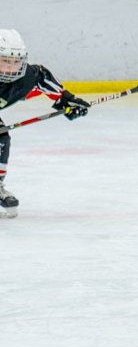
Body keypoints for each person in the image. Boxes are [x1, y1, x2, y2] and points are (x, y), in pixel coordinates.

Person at [0, 27, 90, 216]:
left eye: (15, 61)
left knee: (1, 138)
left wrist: (67, 101)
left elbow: (43, 79)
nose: (11, 67)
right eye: (5, 61)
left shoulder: (25, 79)